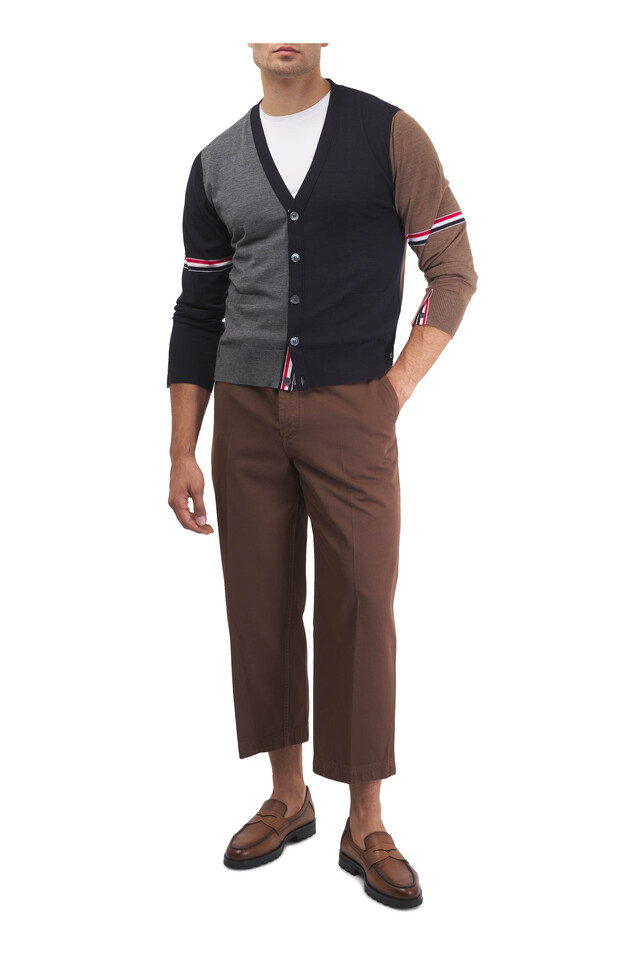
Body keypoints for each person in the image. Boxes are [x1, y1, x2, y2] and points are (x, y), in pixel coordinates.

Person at [167, 42, 477, 909]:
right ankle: (288, 794)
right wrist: (182, 445)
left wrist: (395, 388)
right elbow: (197, 308)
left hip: (355, 411)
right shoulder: (216, 162)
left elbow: (454, 269)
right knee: (260, 603)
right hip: (244, 416)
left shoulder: (389, 134)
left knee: (362, 605)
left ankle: (365, 821)